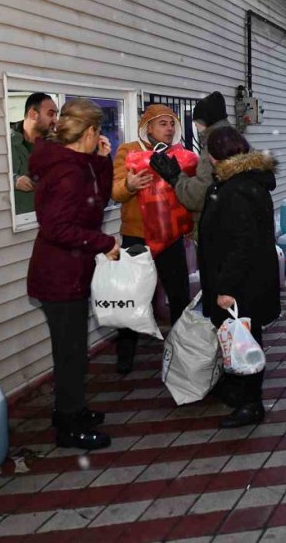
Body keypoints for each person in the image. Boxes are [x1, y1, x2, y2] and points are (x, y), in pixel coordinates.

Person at [27, 97, 119, 450]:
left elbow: (97, 200)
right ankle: (67, 426)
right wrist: (103, 242)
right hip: (58, 274)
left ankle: (72, 409)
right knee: (70, 352)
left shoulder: (77, 164)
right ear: (91, 130)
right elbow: (56, 228)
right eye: (100, 130)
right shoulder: (66, 170)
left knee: (74, 349)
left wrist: (103, 161)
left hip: (70, 271)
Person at [198, 126, 280, 428]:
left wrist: (226, 287)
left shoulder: (236, 190)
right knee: (241, 338)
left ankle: (251, 403)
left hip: (242, 283)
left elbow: (241, 244)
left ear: (214, 157)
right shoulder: (247, 183)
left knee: (245, 340)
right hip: (250, 279)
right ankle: (238, 391)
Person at [111, 104, 192, 374]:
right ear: (148, 128)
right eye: (162, 124)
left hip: (170, 236)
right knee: (132, 297)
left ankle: (183, 351)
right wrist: (129, 186)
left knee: (179, 295)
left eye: (172, 124)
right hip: (137, 236)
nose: (169, 129)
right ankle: (125, 355)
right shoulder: (128, 151)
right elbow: (115, 192)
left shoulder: (178, 155)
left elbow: (186, 193)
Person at [150, 91, 231, 216]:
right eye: (163, 124)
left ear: (204, 121)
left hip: (221, 219)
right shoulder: (235, 140)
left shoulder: (213, 147)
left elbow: (199, 196)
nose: (170, 128)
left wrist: (176, 178)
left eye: (196, 121)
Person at [10, 93, 58, 214]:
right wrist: (15, 181)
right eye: (51, 114)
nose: (55, 120)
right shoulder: (4, 141)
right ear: (32, 114)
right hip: (19, 221)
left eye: (56, 115)